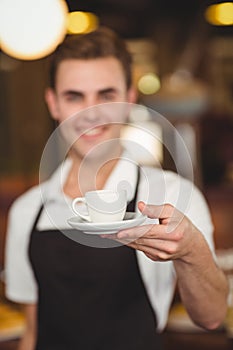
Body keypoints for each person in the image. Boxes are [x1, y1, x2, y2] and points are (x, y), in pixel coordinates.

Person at [4, 27, 228, 350]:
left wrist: (191, 251)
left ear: (129, 99)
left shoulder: (172, 195)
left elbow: (211, 316)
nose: (91, 113)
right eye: (74, 96)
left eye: (106, 95)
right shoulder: (27, 211)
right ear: (53, 104)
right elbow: (32, 332)